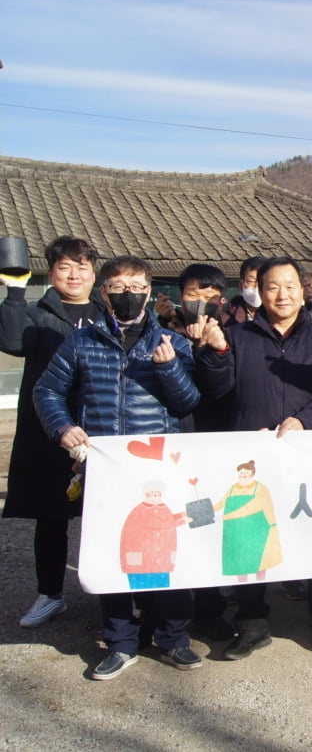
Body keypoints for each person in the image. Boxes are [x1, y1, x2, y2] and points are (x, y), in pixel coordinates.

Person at [34, 255, 203, 680]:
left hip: (158, 468)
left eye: (137, 286)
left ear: (149, 291)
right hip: (107, 469)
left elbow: (187, 403)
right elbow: (47, 390)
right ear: (103, 293)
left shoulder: (173, 342)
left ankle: (174, 637)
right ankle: (121, 641)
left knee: (167, 554)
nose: (128, 295)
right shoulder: (81, 342)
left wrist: (168, 369)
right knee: (114, 556)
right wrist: (63, 426)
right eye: (118, 287)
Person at [192, 256, 312, 657]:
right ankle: (252, 624)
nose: (282, 294)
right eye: (273, 286)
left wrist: (303, 421)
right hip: (252, 460)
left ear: (304, 291)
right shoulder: (239, 337)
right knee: (251, 538)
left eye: (290, 286)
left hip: (307, 454)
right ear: (259, 292)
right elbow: (218, 391)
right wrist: (215, 354)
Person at [0, 236, 105, 628]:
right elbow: (12, 342)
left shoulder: (106, 313)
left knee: (107, 511)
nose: (74, 274)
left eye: (82, 267)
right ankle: (50, 594)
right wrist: (13, 290)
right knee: (51, 515)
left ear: (95, 274)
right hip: (50, 427)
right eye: (65, 267)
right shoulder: (34, 311)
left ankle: (112, 592)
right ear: (51, 273)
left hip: (99, 428)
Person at [225, 255, 267, 326]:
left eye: (262, 281)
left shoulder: (284, 318)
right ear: (241, 286)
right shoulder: (226, 320)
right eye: (251, 281)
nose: (257, 287)